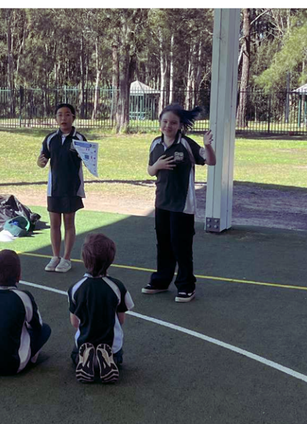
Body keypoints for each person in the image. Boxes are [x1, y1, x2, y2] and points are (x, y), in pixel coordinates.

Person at [142, 104, 216, 302]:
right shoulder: (156, 144)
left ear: (180, 125)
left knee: (181, 246)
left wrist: (207, 145)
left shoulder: (186, 144)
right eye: (165, 121)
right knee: (163, 244)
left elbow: (211, 161)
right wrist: (157, 166)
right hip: (161, 203)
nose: (168, 126)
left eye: (173, 123)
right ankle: (161, 281)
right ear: (160, 123)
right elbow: (150, 170)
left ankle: (186, 286)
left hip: (182, 206)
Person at [68, 233, 135, 383]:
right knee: (118, 354)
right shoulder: (117, 287)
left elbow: (74, 322)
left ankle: (85, 358)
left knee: (75, 354)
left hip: (84, 340)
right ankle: (108, 359)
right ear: (111, 260)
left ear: (84, 259)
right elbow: (121, 319)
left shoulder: (76, 288)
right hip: (112, 345)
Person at [37, 102, 87, 273]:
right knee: (54, 223)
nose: (63, 118)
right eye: (60, 115)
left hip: (71, 187)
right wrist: (40, 162)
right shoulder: (50, 139)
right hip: (54, 188)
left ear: (73, 117)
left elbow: (89, 159)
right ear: (55, 118)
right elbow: (42, 159)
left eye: (67, 114)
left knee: (69, 223)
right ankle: (55, 256)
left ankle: (66, 258)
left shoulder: (80, 139)